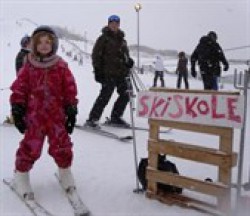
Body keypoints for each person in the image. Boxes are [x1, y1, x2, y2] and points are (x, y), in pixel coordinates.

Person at [9, 25, 78, 199]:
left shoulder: (61, 66)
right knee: (31, 147)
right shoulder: (28, 66)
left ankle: (64, 172)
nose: (44, 45)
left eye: (48, 42)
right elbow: (20, 89)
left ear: (53, 45)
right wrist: (17, 109)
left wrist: (71, 108)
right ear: (34, 45)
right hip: (35, 116)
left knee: (61, 145)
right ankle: (21, 175)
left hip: (56, 115)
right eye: (40, 42)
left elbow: (69, 88)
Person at [85, 15, 134, 128]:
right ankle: (92, 119)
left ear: (119, 25)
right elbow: (96, 55)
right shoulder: (103, 38)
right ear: (108, 24)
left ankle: (116, 117)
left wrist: (129, 62)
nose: (114, 25)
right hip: (108, 73)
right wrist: (97, 71)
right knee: (105, 95)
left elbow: (126, 56)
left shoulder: (123, 41)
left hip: (122, 73)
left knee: (126, 94)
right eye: (112, 23)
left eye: (116, 23)